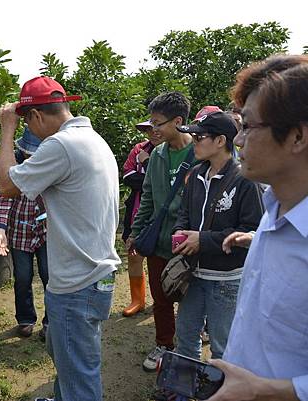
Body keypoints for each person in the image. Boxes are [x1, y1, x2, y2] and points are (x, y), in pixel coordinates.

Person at [0, 76, 121, 401]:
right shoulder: (93, 140)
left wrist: (7, 127)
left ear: (36, 116)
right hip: (96, 276)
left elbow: (7, 187)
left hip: (77, 283)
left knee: (79, 371)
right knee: (67, 354)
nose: (28, 130)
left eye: (26, 122)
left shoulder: (61, 145)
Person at [205, 54, 308, 401]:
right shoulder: (273, 212)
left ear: (297, 136)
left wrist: (265, 391)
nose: (238, 140)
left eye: (248, 126)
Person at [170, 111, 263, 361]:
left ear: (220, 141)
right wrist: (180, 230)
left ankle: (223, 390)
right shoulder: (196, 175)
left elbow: (252, 230)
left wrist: (202, 240)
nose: (194, 141)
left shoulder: (245, 180)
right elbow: (184, 212)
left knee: (223, 346)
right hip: (193, 274)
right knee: (186, 338)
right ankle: (184, 387)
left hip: (226, 280)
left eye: (199, 136)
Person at [126, 91, 194, 372]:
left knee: (190, 301)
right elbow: (149, 200)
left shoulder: (200, 153)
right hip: (158, 242)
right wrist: (136, 232)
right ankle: (165, 345)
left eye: (158, 123)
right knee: (161, 299)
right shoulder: (157, 156)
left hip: (189, 245)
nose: (153, 130)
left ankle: (188, 351)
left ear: (178, 121)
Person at [0, 127, 49, 340]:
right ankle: (26, 318)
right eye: (28, 153)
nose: (31, 157)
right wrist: (1, 230)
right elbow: (2, 198)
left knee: (49, 276)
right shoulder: (12, 166)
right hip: (20, 231)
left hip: (46, 231)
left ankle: (50, 321)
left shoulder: (50, 164)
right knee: (23, 277)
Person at [121, 120, 163, 316]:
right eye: (149, 129)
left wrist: (146, 164)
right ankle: (137, 299)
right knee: (134, 255)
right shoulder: (138, 149)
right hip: (137, 210)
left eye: (156, 128)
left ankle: (161, 300)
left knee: (160, 259)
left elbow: (164, 181)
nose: (153, 133)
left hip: (161, 214)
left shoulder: (170, 151)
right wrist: (150, 179)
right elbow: (127, 175)